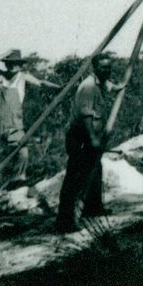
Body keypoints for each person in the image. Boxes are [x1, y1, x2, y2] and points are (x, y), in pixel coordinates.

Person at [0, 49, 57, 193]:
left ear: (20, 65)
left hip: (14, 119)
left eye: (15, 64)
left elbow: (41, 83)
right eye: (9, 64)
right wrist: (5, 54)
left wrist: (58, 88)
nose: (11, 66)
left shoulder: (23, 77)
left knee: (22, 151)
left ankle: (18, 178)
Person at [55, 52, 118, 233]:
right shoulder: (89, 86)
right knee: (75, 177)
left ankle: (93, 208)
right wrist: (92, 138)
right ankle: (65, 221)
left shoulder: (100, 82)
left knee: (95, 170)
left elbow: (109, 85)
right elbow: (85, 116)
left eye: (109, 67)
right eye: (103, 67)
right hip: (81, 136)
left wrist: (119, 86)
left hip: (88, 136)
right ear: (95, 68)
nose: (107, 70)